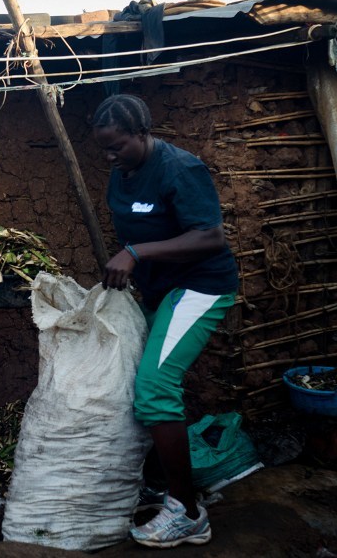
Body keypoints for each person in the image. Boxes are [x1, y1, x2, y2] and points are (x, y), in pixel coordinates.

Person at [92, 94, 239, 548]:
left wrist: (136, 254)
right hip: (162, 292)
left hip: (201, 287)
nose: (110, 157)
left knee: (155, 387)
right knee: (147, 384)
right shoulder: (123, 175)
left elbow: (211, 236)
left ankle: (187, 512)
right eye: (104, 149)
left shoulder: (180, 169)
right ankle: (165, 481)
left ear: (143, 133)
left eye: (118, 146)